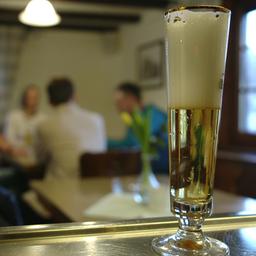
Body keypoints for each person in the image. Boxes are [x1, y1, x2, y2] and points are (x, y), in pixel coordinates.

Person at [38, 78, 106, 179]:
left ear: (50, 100)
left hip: (59, 189)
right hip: (95, 187)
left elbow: (40, 158)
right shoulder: (97, 119)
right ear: (74, 96)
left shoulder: (45, 125)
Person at [108, 82, 168, 174]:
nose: (117, 106)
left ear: (131, 98)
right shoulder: (134, 118)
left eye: (119, 101)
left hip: (161, 172)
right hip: (147, 170)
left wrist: (102, 142)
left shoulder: (152, 114)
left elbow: (133, 144)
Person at [4, 86, 45, 167]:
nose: (32, 100)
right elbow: (8, 139)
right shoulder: (13, 116)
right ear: (24, 98)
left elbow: (42, 145)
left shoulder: (43, 120)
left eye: (35, 97)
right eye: (30, 97)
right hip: (15, 157)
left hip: (35, 160)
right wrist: (15, 150)